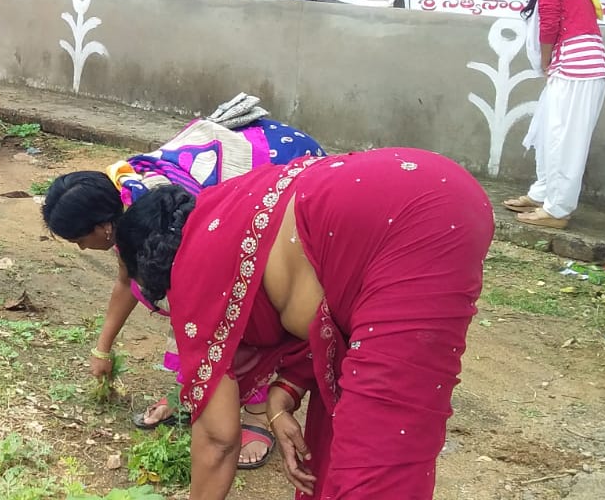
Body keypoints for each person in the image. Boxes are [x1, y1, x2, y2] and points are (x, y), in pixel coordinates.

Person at [114, 148, 494, 500]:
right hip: (431, 188)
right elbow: (322, 301)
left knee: (374, 464)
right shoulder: (230, 208)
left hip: (414, 223)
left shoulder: (191, 272)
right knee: (357, 439)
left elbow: (218, 439)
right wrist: (284, 395)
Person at [42, 117, 325, 469]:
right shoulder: (122, 209)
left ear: (103, 228)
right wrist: (102, 348)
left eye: (79, 240)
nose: (83, 249)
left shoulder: (167, 211)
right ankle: (193, 390)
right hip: (227, 195)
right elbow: (127, 280)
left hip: (282, 166)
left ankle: (256, 410)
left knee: (245, 301)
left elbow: (213, 300)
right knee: (189, 300)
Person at [502, 0, 605, 229]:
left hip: (575, 64)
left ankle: (558, 209)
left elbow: (548, 20)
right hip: (578, 62)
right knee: (549, 131)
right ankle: (544, 193)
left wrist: (545, 61)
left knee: (564, 138)